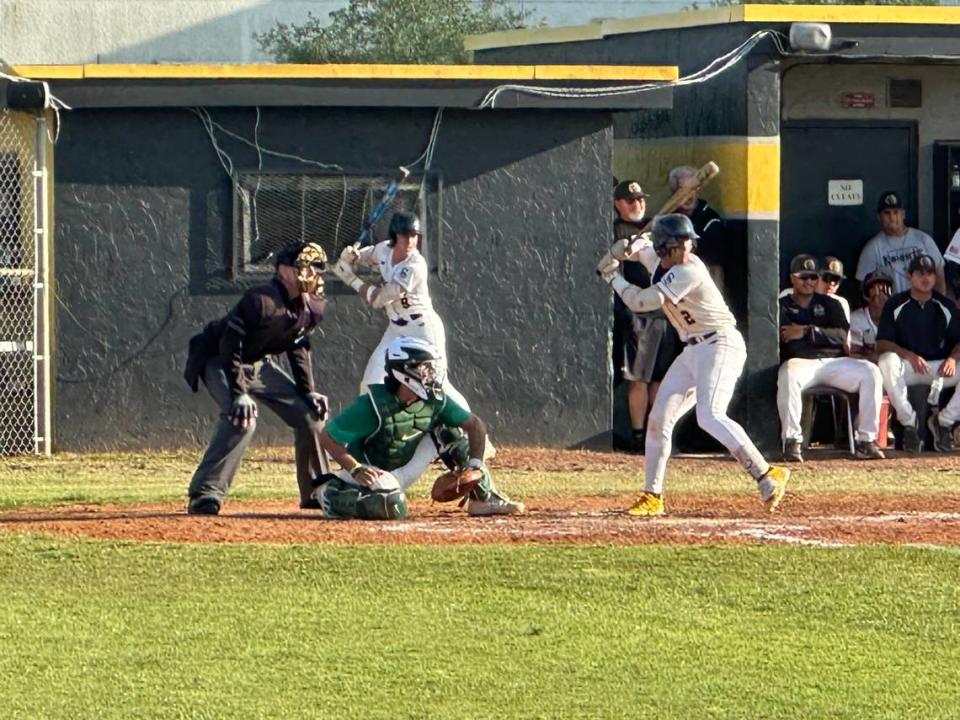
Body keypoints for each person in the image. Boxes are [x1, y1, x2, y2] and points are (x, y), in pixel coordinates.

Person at [598, 213, 790, 516]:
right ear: (664, 248)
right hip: (692, 350)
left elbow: (642, 302)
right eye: (678, 244)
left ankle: (767, 474)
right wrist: (622, 248)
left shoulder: (689, 270)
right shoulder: (661, 258)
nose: (686, 249)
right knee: (658, 418)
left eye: (688, 242)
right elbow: (641, 249)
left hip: (720, 344)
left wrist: (612, 277)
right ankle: (653, 496)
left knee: (710, 415)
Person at [183, 243, 331, 515]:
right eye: (303, 266)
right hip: (220, 359)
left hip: (259, 364)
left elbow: (298, 346)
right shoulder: (261, 300)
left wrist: (308, 391)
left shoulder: (312, 305)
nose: (311, 272)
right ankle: (205, 493)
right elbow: (229, 344)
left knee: (311, 415)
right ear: (284, 271)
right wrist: (239, 393)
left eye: (316, 266)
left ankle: (317, 490)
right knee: (241, 419)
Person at [314, 336, 523, 519]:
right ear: (403, 371)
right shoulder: (373, 405)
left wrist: (475, 465)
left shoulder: (435, 401)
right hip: (370, 474)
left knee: (450, 433)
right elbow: (327, 437)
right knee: (392, 507)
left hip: (403, 470)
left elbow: (475, 426)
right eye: (423, 368)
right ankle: (331, 495)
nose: (430, 374)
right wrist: (356, 468)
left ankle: (482, 498)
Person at [330, 210, 470, 409]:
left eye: (414, 235)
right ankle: (370, 432)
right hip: (396, 330)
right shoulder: (384, 251)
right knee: (371, 381)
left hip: (422, 330)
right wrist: (351, 256)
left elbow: (378, 299)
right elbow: (365, 255)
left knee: (438, 385)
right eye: (405, 235)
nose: (411, 240)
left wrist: (350, 279)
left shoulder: (415, 266)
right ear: (394, 236)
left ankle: (473, 430)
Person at [777, 254, 885, 463]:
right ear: (792, 278)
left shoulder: (830, 304)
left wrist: (807, 332)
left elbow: (841, 335)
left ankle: (866, 440)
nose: (808, 282)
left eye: (812, 277)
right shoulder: (782, 304)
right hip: (802, 362)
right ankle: (791, 440)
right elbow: (787, 339)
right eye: (803, 277)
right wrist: (820, 335)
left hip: (835, 362)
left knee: (871, 372)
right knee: (787, 373)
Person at [612, 179, 681, 453]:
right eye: (630, 200)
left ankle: (657, 432)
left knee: (659, 377)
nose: (637, 204)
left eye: (640, 199)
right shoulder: (616, 229)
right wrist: (627, 246)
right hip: (636, 310)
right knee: (638, 376)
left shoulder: (657, 227)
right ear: (618, 204)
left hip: (664, 308)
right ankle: (639, 435)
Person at [877, 254, 960, 453]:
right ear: (909, 276)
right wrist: (908, 354)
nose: (926, 278)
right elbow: (881, 343)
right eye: (920, 273)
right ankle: (909, 423)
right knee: (887, 360)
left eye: (930, 273)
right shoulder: (895, 303)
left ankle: (944, 421)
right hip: (908, 367)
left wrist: (952, 358)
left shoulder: (946, 305)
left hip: (939, 368)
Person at [856, 191, 945, 295]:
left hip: (924, 306)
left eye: (896, 212)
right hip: (892, 308)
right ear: (879, 217)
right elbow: (863, 287)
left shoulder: (923, 239)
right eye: (887, 213)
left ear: (903, 214)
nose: (892, 218)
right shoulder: (872, 248)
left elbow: (939, 275)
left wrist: (940, 307)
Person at [849, 270, 893, 364]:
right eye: (876, 289)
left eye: (885, 289)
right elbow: (853, 355)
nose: (881, 295)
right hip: (865, 368)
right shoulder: (856, 319)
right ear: (867, 294)